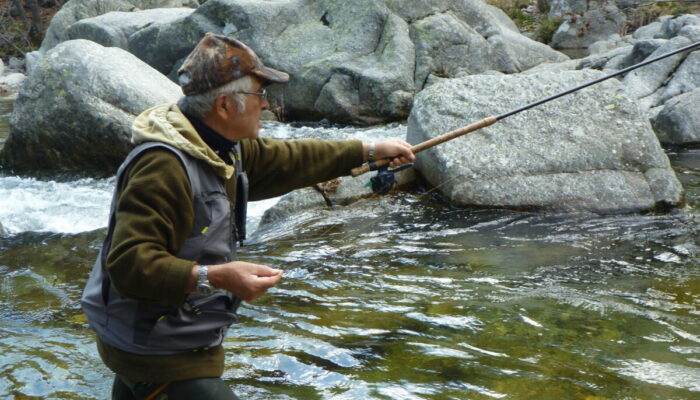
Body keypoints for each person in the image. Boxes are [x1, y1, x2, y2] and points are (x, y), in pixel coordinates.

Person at [81, 33, 414, 400]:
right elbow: (129, 264)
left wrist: (366, 150)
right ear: (224, 105)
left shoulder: (220, 145)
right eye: (260, 96)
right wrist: (214, 276)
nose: (268, 106)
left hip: (152, 338)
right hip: (155, 351)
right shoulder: (163, 167)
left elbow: (288, 158)